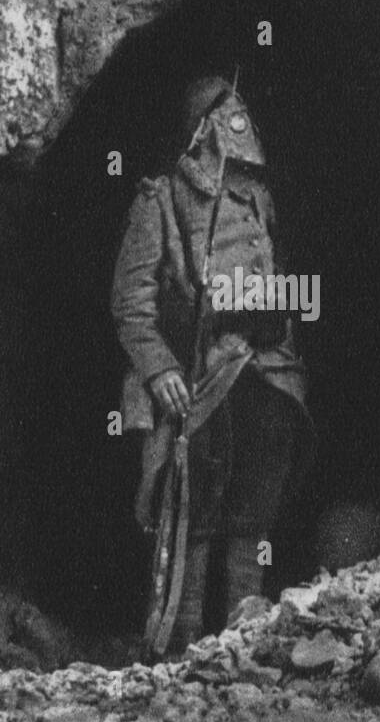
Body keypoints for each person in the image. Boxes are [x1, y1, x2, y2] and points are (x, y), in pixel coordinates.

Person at [111, 75, 314, 653]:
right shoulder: (162, 199)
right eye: (231, 112)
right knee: (194, 511)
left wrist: (282, 308)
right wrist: (160, 370)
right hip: (198, 377)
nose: (243, 122)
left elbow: (280, 283)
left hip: (263, 370)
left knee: (255, 509)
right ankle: (185, 645)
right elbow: (131, 303)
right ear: (204, 128)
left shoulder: (258, 198)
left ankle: (241, 644)